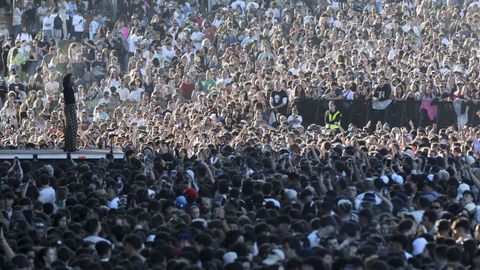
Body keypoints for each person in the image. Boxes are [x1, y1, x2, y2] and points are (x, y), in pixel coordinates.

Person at [62, 73, 77, 152]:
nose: (73, 80)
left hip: (70, 107)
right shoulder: (67, 89)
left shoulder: (70, 89)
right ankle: (71, 146)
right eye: (72, 79)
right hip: (69, 107)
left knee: (69, 127)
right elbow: (69, 100)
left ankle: (67, 146)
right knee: (72, 127)